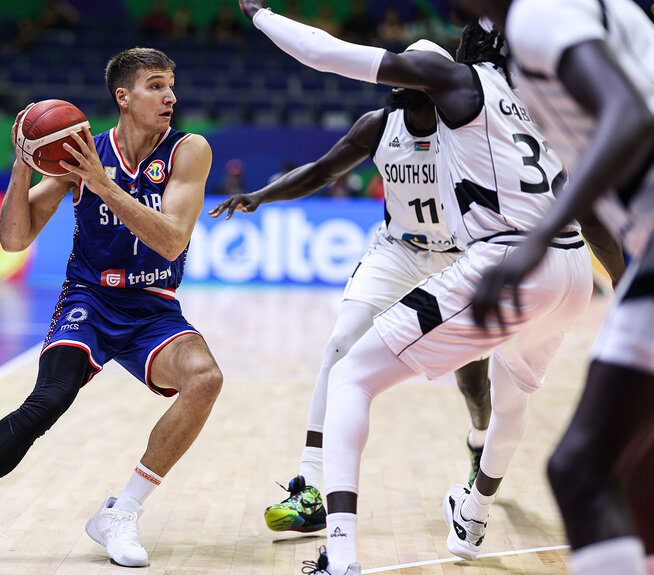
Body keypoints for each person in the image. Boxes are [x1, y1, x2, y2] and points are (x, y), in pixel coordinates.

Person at [237, 2, 624, 573]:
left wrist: (261, 14)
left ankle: (338, 556)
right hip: (567, 268)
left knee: (352, 377)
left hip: (504, 262)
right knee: (513, 397)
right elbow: (589, 210)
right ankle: (472, 517)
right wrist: (621, 285)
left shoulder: (458, 82)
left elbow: (328, 55)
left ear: (472, 47)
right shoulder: (542, 109)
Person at [0, 47, 222, 569]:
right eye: (156, 86)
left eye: (170, 84)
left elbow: (171, 241)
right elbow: (13, 239)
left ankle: (121, 513)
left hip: (152, 305)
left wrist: (102, 184)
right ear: (125, 96)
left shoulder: (189, 149)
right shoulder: (80, 155)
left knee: (205, 379)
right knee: (48, 400)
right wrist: (23, 169)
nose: (170, 96)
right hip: (89, 300)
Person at [209, 40, 492, 536]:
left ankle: (480, 438)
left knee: (473, 378)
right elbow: (322, 171)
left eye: (410, 75)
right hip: (396, 252)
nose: (397, 81)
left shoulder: (468, 130)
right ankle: (311, 487)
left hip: (460, 256)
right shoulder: (379, 125)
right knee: (339, 347)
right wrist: (260, 196)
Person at [460, 1, 654, 574]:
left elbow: (628, 115)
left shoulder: (540, 16)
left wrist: (534, 239)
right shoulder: (542, 31)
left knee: (583, 469)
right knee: (626, 476)